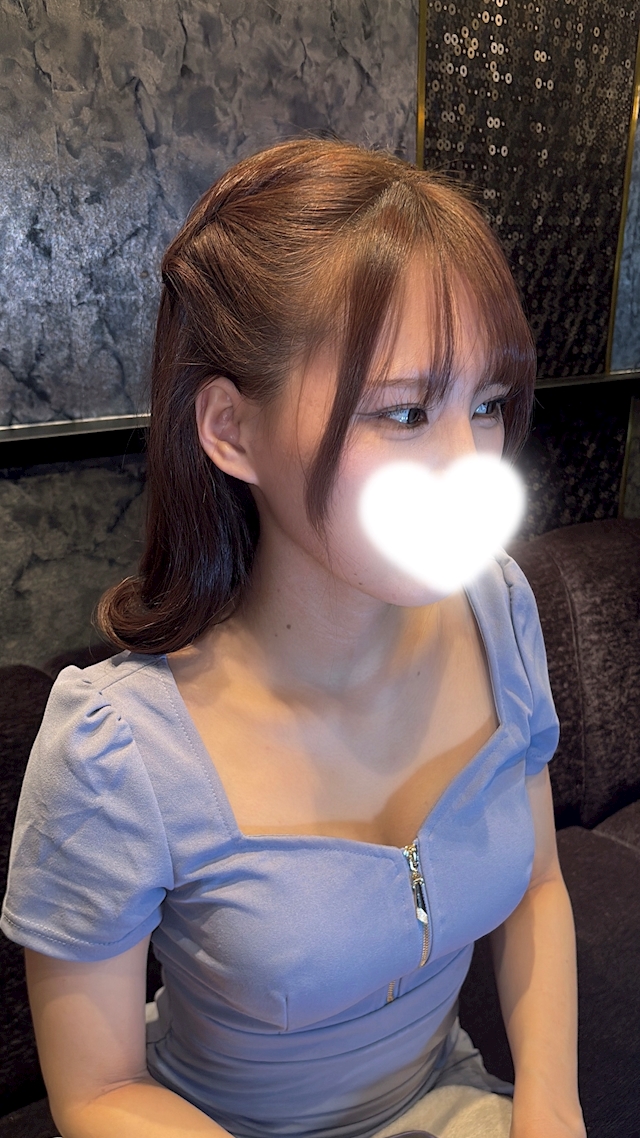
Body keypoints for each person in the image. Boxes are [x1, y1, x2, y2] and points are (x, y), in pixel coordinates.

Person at [1, 138, 586, 1138]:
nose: (470, 463)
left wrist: (550, 1105)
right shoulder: (115, 752)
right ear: (231, 430)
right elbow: (95, 1092)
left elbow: (535, 884)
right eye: (405, 411)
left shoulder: (500, 611)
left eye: (486, 403)